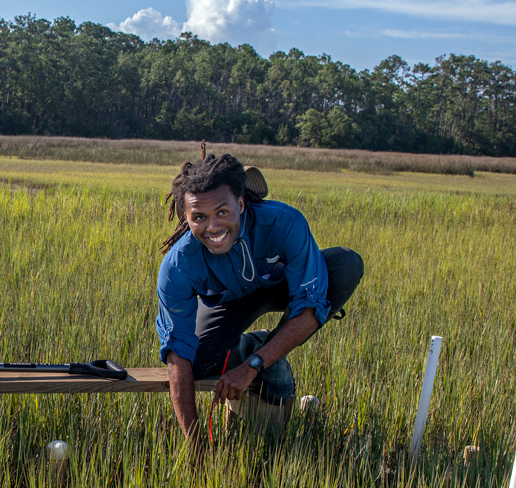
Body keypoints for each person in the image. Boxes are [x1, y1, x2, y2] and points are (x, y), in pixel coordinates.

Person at [155, 152, 363, 454]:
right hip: (229, 303)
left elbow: (309, 309)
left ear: (240, 204)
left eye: (222, 212)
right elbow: (178, 358)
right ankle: (256, 345)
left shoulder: (284, 222)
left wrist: (252, 367)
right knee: (198, 363)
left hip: (285, 287)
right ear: (186, 217)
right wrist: (196, 446)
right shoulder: (177, 266)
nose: (212, 227)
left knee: (345, 265)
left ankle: (265, 352)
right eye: (199, 217)